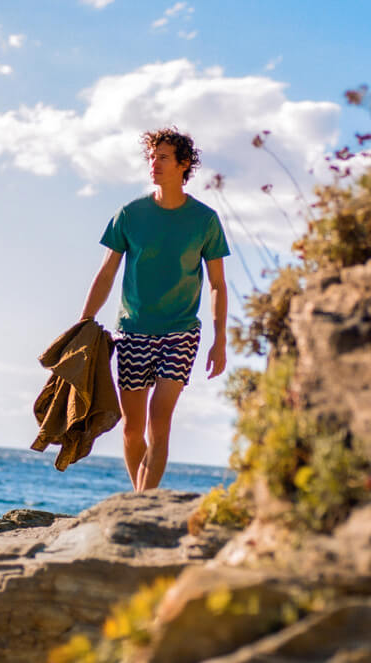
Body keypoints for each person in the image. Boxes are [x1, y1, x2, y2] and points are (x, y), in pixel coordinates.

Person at [79, 127, 230, 491]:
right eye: (151, 157)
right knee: (132, 430)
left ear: (184, 164)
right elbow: (106, 273)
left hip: (181, 332)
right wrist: (84, 323)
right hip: (132, 331)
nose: (154, 164)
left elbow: (217, 284)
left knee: (158, 422)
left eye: (163, 157)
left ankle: (143, 503)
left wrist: (220, 339)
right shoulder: (130, 214)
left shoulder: (205, 220)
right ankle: (140, 501)